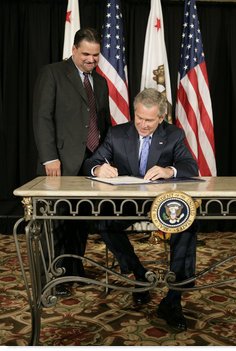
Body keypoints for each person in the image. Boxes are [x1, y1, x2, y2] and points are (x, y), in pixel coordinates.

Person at [84, 88, 199, 331]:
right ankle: (139, 275)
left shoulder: (174, 135)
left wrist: (169, 171)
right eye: (139, 118)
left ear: (161, 118)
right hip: (128, 203)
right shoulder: (117, 134)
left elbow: (190, 165)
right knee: (104, 221)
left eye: (149, 120)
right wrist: (98, 169)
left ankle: (173, 299)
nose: (143, 125)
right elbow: (93, 161)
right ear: (134, 113)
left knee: (187, 225)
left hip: (163, 205)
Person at [33, 27, 111, 295]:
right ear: (74, 50)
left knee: (81, 220)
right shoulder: (53, 73)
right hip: (60, 163)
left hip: (91, 163)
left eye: (96, 55)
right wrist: (49, 157)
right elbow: (42, 118)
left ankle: (75, 268)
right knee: (55, 222)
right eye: (86, 54)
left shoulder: (100, 82)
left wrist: (105, 159)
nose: (91, 60)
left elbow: (103, 124)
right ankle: (53, 277)